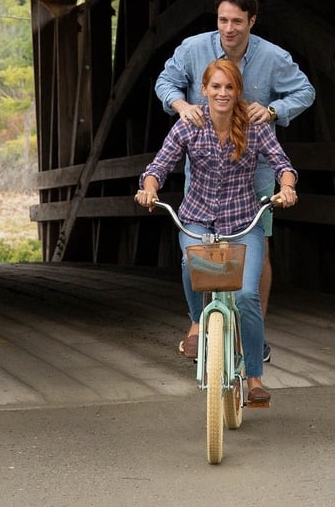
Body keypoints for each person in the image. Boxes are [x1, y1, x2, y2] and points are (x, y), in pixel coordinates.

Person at [154, 0, 313, 339]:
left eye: (237, 21)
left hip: (257, 166)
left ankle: (252, 331)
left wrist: (274, 110)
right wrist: (181, 106)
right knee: (204, 248)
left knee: (255, 246)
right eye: (223, 20)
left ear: (252, 21)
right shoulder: (194, 49)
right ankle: (202, 320)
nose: (229, 29)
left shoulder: (273, 57)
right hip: (208, 165)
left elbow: (305, 91)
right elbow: (165, 82)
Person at [137, 57, 297, 407]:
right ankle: (197, 324)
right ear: (204, 90)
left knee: (246, 296)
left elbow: (283, 165)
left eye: (229, 87)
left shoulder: (255, 127)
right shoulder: (189, 125)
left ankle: (253, 377)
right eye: (216, 87)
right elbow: (159, 166)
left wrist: (287, 188)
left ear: (237, 90)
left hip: (243, 222)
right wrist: (149, 188)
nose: (222, 93)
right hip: (197, 217)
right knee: (189, 264)